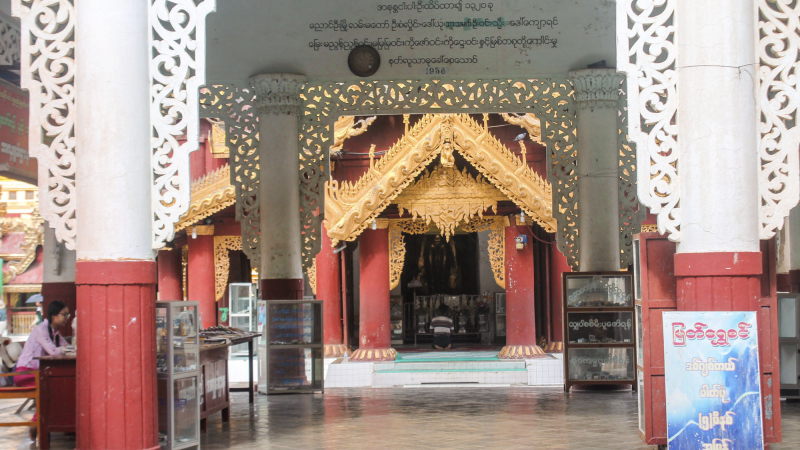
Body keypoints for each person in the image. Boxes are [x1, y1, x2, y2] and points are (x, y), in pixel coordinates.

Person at [14, 300, 70, 442]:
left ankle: (44, 424)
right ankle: (37, 424)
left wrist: (67, 348)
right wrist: (65, 349)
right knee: (52, 387)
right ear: (53, 315)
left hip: (37, 374)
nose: (67, 318)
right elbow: (53, 351)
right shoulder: (41, 330)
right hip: (24, 373)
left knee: (57, 385)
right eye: (64, 314)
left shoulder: (55, 333)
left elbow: (66, 347)